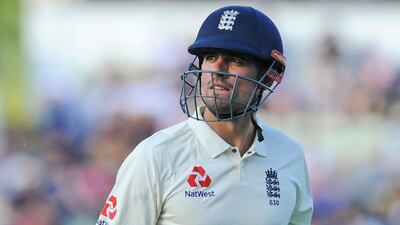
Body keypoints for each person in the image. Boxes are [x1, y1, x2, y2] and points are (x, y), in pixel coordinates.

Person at [96, 5, 313, 225]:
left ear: (267, 78)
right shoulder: (155, 156)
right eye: (210, 57)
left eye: (236, 60)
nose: (218, 70)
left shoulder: (289, 155)